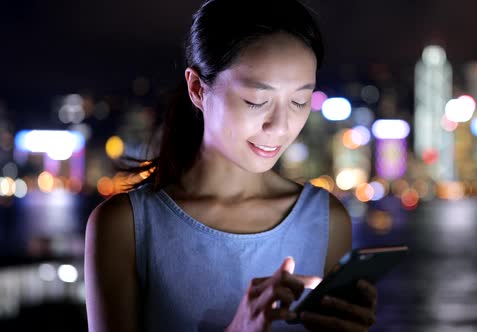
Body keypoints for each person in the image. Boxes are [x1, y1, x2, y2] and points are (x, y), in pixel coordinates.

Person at [84, 0, 378, 331]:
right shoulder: (125, 226)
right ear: (197, 88)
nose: (280, 126)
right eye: (256, 101)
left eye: (300, 101)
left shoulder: (326, 219)